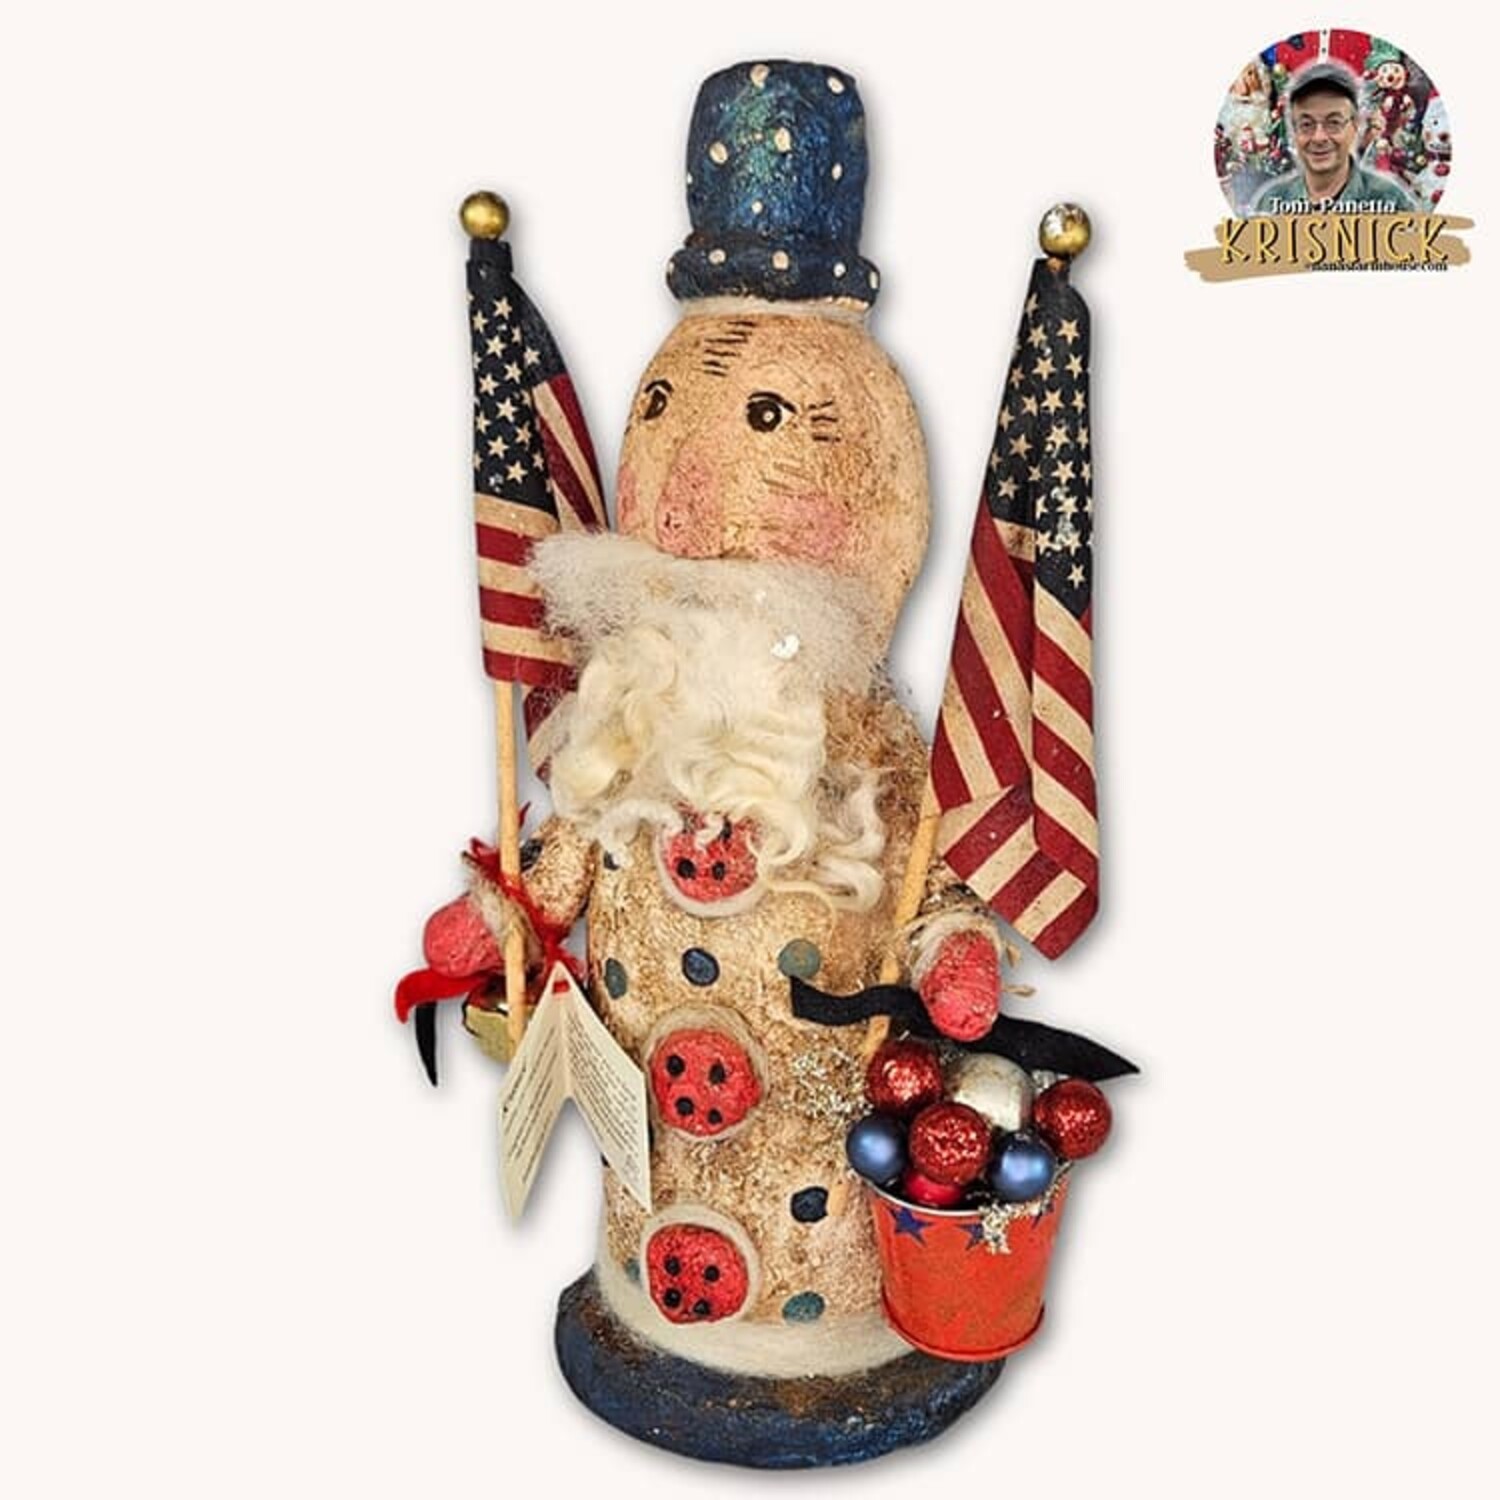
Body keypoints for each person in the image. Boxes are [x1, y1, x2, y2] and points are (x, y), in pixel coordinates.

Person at [1252, 61, 1415, 213]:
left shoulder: (1391, 201)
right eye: (1306, 124)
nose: (1319, 137)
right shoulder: (1271, 204)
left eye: (1334, 123)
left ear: (1355, 127)